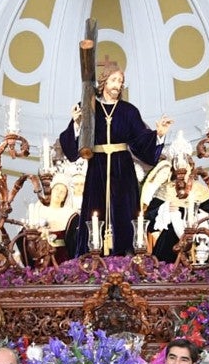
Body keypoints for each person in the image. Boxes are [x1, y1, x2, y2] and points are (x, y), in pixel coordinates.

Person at [59, 66, 172, 256]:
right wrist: (76, 123)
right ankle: (93, 258)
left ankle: (126, 258)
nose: (117, 85)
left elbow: (141, 141)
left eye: (120, 81)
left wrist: (158, 134)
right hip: (98, 169)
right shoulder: (89, 106)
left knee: (125, 213)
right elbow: (73, 149)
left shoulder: (128, 111)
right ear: (103, 82)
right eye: (113, 80)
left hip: (123, 170)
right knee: (95, 211)